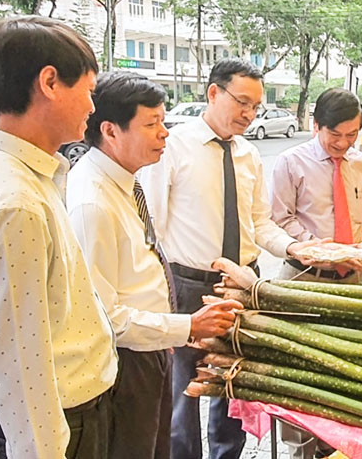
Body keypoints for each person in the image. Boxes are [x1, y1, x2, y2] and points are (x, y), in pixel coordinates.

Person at [0, 16, 117, 458]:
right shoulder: (14, 202)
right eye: (89, 91)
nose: (92, 108)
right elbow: (19, 368)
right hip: (55, 429)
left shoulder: (13, 169)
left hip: (65, 416)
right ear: (50, 82)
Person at [138, 58, 315, 459]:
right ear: (213, 92)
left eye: (256, 106)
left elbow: (259, 224)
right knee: (183, 393)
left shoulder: (249, 155)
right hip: (188, 286)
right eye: (242, 102)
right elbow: (152, 230)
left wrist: (294, 248)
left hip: (241, 285)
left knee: (233, 386)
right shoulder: (173, 147)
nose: (249, 114)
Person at [66, 71, 244, 459]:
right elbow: (104, 318)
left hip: (152, 347)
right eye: (152, 124)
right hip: (126, 362)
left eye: (163, 120)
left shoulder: (125, 182)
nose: (164, 132)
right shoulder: (92, 203)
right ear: (111, 131)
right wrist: (188, 325)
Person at [272, 88, 362, 286]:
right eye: (334, 134)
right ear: (317, 125)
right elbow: (281, 218)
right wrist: (319, 248)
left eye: (351, 134)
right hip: (303, 277)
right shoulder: (291, 162)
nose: (342, 143)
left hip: (352, 278)